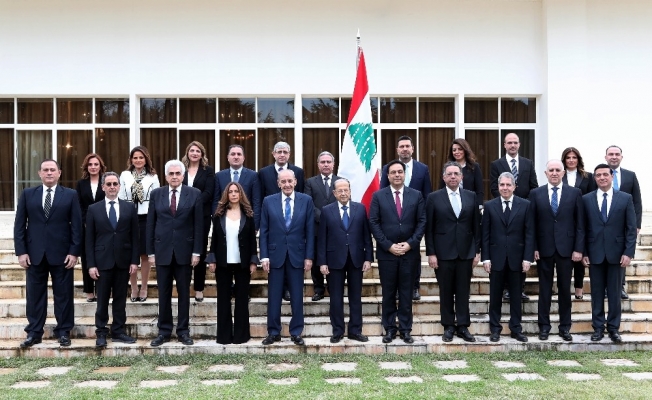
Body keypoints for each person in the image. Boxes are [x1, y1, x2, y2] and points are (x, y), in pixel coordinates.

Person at [14, 159, 82, 348]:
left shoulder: (70, 195)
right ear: (40, 173)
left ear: (59, 173)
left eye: (53, 170)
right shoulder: (28, 194)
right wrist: (21, 252)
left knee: (64, 295)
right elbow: (19, 225)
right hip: (34, 254)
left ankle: (64, 332)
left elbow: (77, 226)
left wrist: (74, 252)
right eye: (46, 170)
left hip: (62, 254)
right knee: (34, 296)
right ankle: (34, 332)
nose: (49, 173)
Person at [147, 160, 203, 347]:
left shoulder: (194, 194)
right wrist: (150, 252)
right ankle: (163, 331)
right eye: (171, 173)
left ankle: (183, 331)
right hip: (162, 251)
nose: (174, 176)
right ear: (165, 176)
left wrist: (196, 252)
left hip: (185, 252)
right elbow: (150, 224)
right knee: (163, 293)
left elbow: (199, 225)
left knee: (184, 293)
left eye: (178, 173)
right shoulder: (156, 194)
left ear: (183, 175)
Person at [369, 160, 426, 344]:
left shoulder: (416, 195)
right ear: (388, 175)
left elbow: (422, 222)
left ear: (404, 174)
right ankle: (389, 329)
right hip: (387, 254)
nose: (397, 175)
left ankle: (405, 329)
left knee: (406, 293)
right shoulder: (378, 196)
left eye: (400, 172)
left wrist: (410, 244)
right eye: (393, 172)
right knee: (388, 293)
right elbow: (374, 223)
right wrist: (388, 245)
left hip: (409, 254)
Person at [529, 160, 584, 342]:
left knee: (564, 290)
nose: (554, 173)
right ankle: (544, 327)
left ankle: (565, 327)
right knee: (544, 289)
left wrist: (578, 249)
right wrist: (534, 247)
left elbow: (580, 224)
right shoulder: (535, 193)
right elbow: (531, 224)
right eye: (551, 170)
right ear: (545, 173)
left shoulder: (575, 193)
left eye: (557, 170)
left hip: (566, 250)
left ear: (563, 173)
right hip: (544, 249)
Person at [426, 161, 480, 343]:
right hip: (443, 254)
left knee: (463, 291)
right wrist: (431, 253)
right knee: (446, 291)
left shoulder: (471, 196)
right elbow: (429, 228)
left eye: (456, 174)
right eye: (449, 174)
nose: (453, 177)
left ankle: (463, 326)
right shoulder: (433, 198)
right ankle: (448, 326)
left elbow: (476, 226)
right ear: (444, 177)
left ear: (461, 177)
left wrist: (477, 251)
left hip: (465, 252)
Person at [582, 164, 636, 343]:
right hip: (594, 253)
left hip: (617, 254)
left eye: (605, 174)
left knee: (614, 294)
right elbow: (582, 228)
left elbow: (630, 229)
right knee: (596, 293)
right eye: (598, 175)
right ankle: (598, 328)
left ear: (612, 176)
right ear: (595, 178)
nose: (602, 178)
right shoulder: (586, 199)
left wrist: (628, 252)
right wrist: (584, 252)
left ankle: (613, 328)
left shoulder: (625, 198)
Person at [259, 169, 314, 346]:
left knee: (297, 296)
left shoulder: (306, 200)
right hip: (275, 256)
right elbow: (264, 231)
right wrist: (264, 256)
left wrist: (309, 256)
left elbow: (310, 231)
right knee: (274, 296)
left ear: (295, 181)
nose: (287, 184)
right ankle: (273, 332)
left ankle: (296, 332)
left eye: (290, 181)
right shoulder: (268, 201)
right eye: (283, 182)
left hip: (297, 255)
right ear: (278, 183)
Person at [85, 172, 139, 347]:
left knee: (120, 299)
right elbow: (89, 239)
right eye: (108, 184)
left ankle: (118, 331)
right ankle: (101, 332)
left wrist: (134, 261)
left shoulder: (129, 208)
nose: (112, 187)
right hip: (102, 262)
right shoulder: (93, 209)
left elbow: (135, 237)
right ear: (103, 187)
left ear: (119, 186)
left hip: (123, 261)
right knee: (102, 300)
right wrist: (91, 264)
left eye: (115, 184)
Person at [317, 179, 373, 343]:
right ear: (334, 193)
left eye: (346, 190)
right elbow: (322, 238)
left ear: (350, 191)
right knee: (335, 297)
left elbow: (366, 235)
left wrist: (368, 258)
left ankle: (355, 330)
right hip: (334, 260)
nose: (343, 193)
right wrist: (322, 262)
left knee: (355, 297)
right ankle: (338, 331)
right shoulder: (326, 210)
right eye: (340, 191)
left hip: (356, 259)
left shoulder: (360, 208)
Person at [482, 172, 534, 343]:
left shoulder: (525, 205)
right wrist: (486, 258)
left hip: (517, 259)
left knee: (516, 296)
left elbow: (529, 233)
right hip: (496, 258)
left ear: (514, 187)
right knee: (495, 296)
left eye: (508, 185)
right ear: (498, 187)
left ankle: (516, 328)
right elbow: (485, 234)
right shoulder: (490, 206)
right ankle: (495, 329)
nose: (505, 188)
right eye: (502, 185)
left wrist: (527, 258)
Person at [380, 136, 431, 300]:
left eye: (407, 146)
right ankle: (396, 288)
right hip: (393, 219)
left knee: (414, 255)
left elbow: (427, 194)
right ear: (397, 150)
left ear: (412, 149)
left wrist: (424, 218)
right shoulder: (388, 168)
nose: (404, 149)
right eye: (401, 146)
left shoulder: (422, 168)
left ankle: (414, 286)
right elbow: (382, 192)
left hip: (414, 220)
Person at [207, 182, 258, 344]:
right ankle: (224, 336)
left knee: (242, 299)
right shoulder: (219, 214)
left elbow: (252, 241)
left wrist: (253, 261)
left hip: (243, 263)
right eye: (231, 192)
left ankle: (241, 336)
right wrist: (212, 259)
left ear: (241, 194)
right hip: (223, 262)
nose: (234, 194)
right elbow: (214, 239)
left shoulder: (248, 214)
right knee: (223, 299)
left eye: (236, 191)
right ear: (226, 195)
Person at [489, 132, 538, 301]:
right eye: (509, 142)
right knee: (505, 252)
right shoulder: (496, 164)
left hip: (523, 212)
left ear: (519, 144)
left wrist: (522, 205)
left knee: (520, 250)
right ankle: (504, 289)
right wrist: (506, 200)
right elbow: (494, 187)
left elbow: (533, 186)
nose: (512, 145)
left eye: (515, 142)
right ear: (504, 145)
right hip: (503, 211)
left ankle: (519, 289)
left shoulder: (528, 163)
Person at [258, 141, 304, 301]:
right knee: (277, 259)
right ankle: (281, 290)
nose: (282, 154)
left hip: (293, 224)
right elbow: (260, 197)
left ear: (289, 154)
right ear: (274, 154)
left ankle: (289, 289)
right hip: (273, 222)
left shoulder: (298, 172)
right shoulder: (263, 173)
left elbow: (301, 197)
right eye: (279, 152)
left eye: (285, 152)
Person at [119, 146, 159, 303]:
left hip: (146, 217)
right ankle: (134, 287)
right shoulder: (125, 175)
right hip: (129, 217)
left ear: (146, 159)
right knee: (131, 253)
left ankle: (144, 287)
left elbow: (156, 199)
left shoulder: (153, 177)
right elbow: (121, 196)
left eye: (141, 157)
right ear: (131, 159)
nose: (138, 160)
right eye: (135, 157)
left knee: (144, 254)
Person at [604, 145, 642, 300]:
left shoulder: (630, 176)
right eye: (611, 154)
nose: (614, 157)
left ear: (621, 157)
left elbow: (637, 201)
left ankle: (620, 286)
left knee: (622, 254)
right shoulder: (600, 174)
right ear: (605, 157)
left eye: (617, 154)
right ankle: (605, 286)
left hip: (625, 222)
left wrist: (637, 224)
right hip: (604, 222)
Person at [181, 141, 215, 303]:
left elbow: (209, 192)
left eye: (198, 151)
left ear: (202, 154)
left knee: (200, 251)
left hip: (202, 215)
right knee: (184, 250)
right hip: (182, 216)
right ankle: (184, 286)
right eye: (192, 150)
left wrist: (192, 203)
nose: (194, 153)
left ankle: (199, 288)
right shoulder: (180, 169)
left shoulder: (208, 171)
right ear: (187, 153)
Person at [305, 151, 340, 301]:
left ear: (333, 164)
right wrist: (324, 217)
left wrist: (332, 219)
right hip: (316, 228)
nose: (326, 164)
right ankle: (318, 289)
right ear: (318, 165)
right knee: (316, 259)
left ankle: (333, 288)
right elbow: (309, 204)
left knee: (333, 259)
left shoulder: (341, 181)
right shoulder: (310, 182)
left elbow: (344, 201)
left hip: (336, 229)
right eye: (323, 162)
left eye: (328, 162)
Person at [561, 147, 595, 299]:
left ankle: (579, 287)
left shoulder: (588, 177)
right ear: (564, 160)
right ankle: (564, 287)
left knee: (580, 254)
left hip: (582, 219)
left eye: (574, 157)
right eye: (568, 157)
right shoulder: (560, 175)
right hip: (564, 220)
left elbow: (592, 196)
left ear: (578, 159)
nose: (571, 160)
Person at [75, 153, 107, 302]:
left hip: (104, 225)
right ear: (86, 167)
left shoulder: (106, 182)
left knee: (102, 257)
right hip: (85, 226)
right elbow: (79, 205)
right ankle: (89, 291)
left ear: (100, 166)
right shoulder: (81, 184)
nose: (93, 167)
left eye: (96, 164)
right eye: (90, 164)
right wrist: (85, 221)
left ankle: (102, 289)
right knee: (87, 257)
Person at [213, 144, 261, 229]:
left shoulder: (253, 176)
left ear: (244, 157)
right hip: (224, 222)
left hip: (246, 222)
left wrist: (255, 226)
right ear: (228, 157)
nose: (236, 157)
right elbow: (216, 201)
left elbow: (256, 202)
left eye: (239, 154)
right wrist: (216, 223)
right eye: (233, 154)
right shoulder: (219, 176)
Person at [439, 138, 484, 208]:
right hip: (450, 205)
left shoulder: (474, 167)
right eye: (454, 150)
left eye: (460, 149)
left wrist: (479, 206)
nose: (457, 152)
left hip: (470, 205)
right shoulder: (448, 167)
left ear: (465, 150)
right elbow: (441, 188)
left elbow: (479, 190)